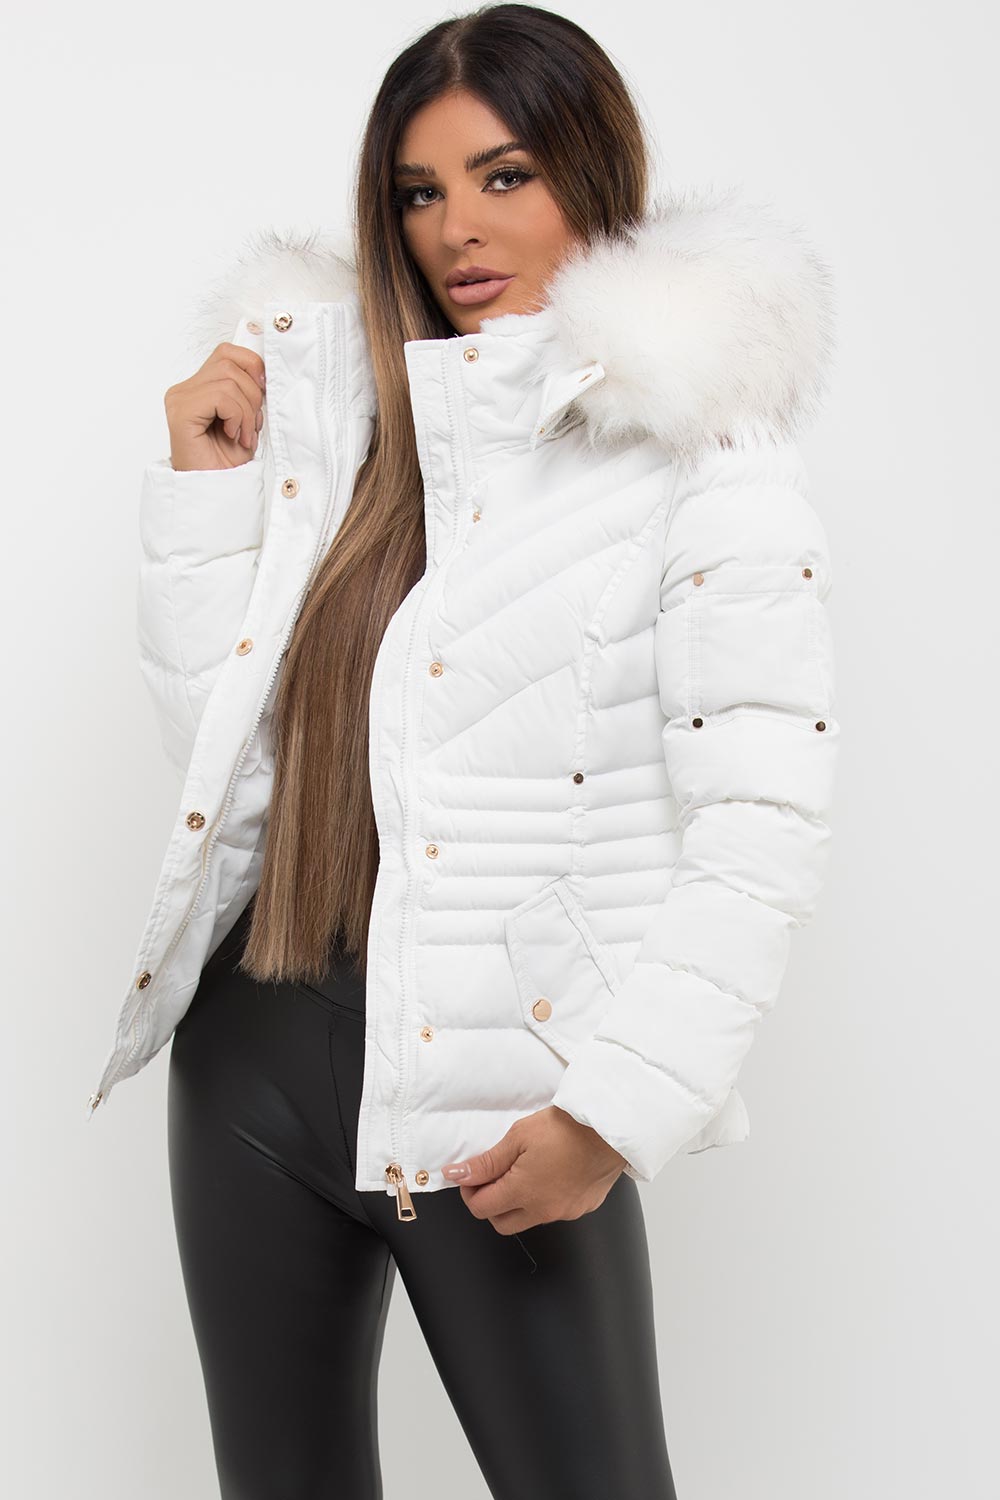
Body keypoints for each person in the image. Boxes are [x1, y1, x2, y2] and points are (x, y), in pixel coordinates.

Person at [87, 5, 839, 1496]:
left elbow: (759, 828)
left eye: (506, 177)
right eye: (420, 192)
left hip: (501, 1103)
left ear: (593, 174)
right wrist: (207, 496)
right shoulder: (347, 431)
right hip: (255, 1061)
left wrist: (611, 1113)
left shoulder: (703, 456)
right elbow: (228, 763)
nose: (457, 230)